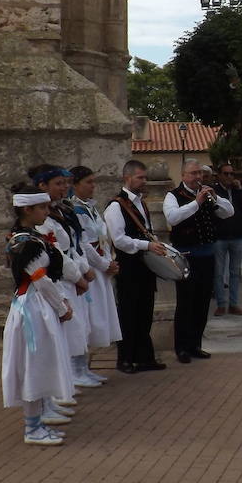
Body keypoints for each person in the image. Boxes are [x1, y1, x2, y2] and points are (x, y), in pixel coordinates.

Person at [2, 184, 75, 445]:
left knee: (42, 362)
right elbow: (39, 279)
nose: (47, 211)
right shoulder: (24, 243)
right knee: (33, 364)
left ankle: (41, 417)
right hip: (33, 308)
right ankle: (32, 429)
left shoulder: (32, 237)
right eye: (42, 207)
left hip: (39, 305)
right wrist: (61, 306)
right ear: (27, 209)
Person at [30, 164, 98, 402]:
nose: (64, 188)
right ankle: (57, 391)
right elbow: (58, 254)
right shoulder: (42, 221)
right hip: (59, 280)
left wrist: (84, 269)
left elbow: (75, 245)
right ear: (42, 186)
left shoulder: (60, 211)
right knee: (62, 336)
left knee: (77, 331)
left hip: (70, 277)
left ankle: (69, 380)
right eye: (59, 183)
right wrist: (79, 275)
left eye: (65, 183)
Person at [164, 159, 233, 364]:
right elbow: (173, 218)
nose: (198, 177)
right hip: (186, 256)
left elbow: (229, 212)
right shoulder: (173, 195)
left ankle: (195, 345)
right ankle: (182, 348)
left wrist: (215, 199)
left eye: (200, 174)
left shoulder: (208, 192)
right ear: (183, 175)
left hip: (207, 255)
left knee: (202, 302)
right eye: (193, 174)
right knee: (186, 303)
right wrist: (197, 203)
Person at [104, 159, 168, 373]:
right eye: (140, 177)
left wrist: (155, 244)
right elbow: (119, 239)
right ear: (127, 178)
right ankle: (125, 359)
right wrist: (147, 244)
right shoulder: (116, 206)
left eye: (144, 177)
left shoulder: (140, 202)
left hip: (144, 266)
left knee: (145, 311)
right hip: (128, 267)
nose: (144, 181)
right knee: (129, 313)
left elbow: (144, 231)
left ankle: (144, 357)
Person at [68, 165, 119, 376]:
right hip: (90, 270)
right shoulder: (74, 210)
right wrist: (103, 264)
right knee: (86, 319)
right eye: (88, 182)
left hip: (101, 270)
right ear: (75, 185)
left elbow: (102, 239)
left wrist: (110, 260)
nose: (93, 186)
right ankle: (76, 369)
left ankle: (84, 367)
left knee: (95, 318)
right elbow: (84, 245)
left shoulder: (90, 207)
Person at [211, 163, 242, 316]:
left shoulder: (237, 190)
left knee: (235, 272)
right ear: (219, 175)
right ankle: (221, 303)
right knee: (219, 272)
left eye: (231, 174)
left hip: (237, 236)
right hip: (220, 237)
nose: (229, 177)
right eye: (225, 174)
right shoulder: (215, 191)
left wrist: (240, 190)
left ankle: (233, 304)